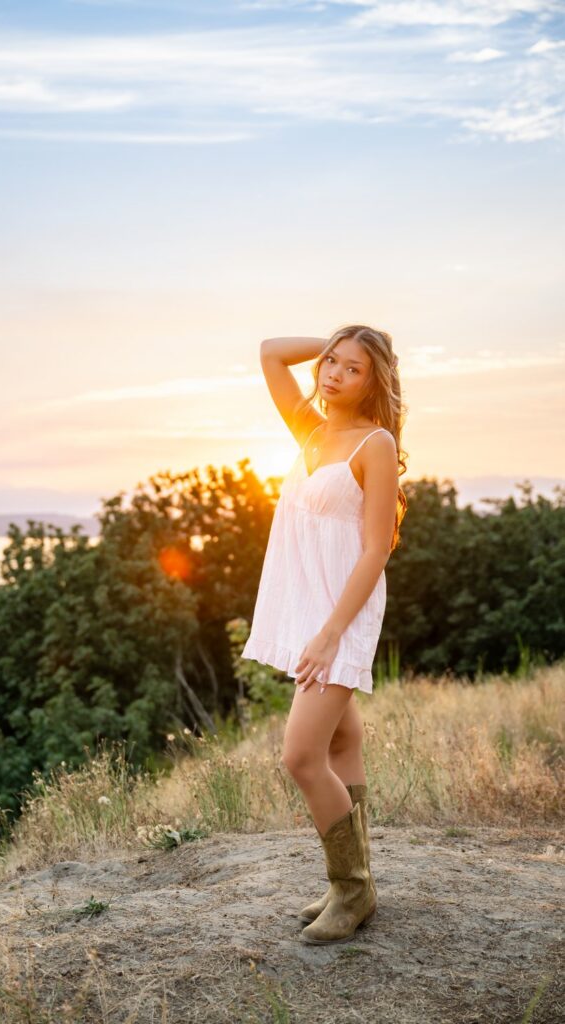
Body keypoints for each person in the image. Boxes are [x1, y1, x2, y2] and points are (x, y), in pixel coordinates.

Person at [240, 325, 408, 944]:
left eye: (352, 368)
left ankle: (353, 889)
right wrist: (341, 329)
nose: (333, 373)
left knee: (301, 755)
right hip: (310, 609)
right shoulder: (309, 429)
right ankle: (352, 876)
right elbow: (270, 352)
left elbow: (376, 547)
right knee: (341, 744)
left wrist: (333, 631)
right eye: (331, 362)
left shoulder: (375, 441)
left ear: (375, 381)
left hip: (343, 613)